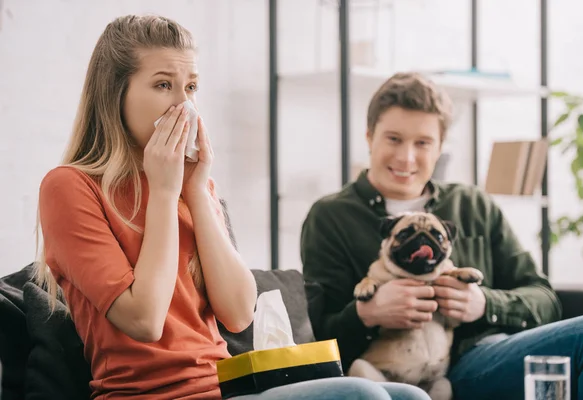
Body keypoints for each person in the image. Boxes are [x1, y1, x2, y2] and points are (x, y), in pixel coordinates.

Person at [35, 15, 430, 400]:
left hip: (229, 387)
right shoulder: (69, 187)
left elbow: (240, 314)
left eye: (191, 87)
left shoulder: (192, 184)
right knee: (360, 395)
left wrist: (195, 191)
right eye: (162, 85)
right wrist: (164, 191)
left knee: (409, 396)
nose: (183, 104)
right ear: (114, 94)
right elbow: (145, 320)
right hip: (154, 395)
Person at [300, 72, 583, 400]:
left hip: (482, 357)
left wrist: (484, 303)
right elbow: (314, 336)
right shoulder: (330, 217)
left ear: (441, 147)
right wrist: (366, 315)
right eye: (394, 139)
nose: (406, 157)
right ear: (370, 136)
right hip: (384, 370)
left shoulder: (472, 204)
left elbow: (544, 298)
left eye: (423, 143)